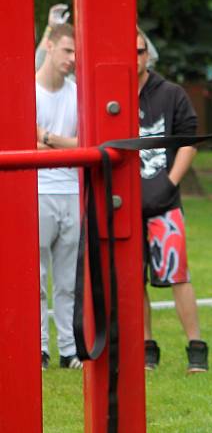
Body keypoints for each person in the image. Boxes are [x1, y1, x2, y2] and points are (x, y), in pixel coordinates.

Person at [137, 27, 209, 372]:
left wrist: (170, 182)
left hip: (164, 202)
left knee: (178, 275)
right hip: (124, 203)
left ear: (148, 54)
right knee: (133, 279)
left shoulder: (170, 93)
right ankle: (147, 347)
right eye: (127, 52)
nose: (133, 59)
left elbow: (188, 139)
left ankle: (196, 347)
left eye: (139, 51)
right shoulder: (110, 94)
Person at [36, 23, 81, 370]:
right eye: (67, 50)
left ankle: (69, 349)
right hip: (36, 191)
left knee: (67, 279)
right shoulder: (27, 92)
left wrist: (46, 138)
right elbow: (20, 142)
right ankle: (39, 346)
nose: (72, 58)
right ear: (48, 46)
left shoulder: (77, 92)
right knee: (34, 276)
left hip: (70, 190)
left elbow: (85, 143)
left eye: (75, 52)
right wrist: (65, 145)